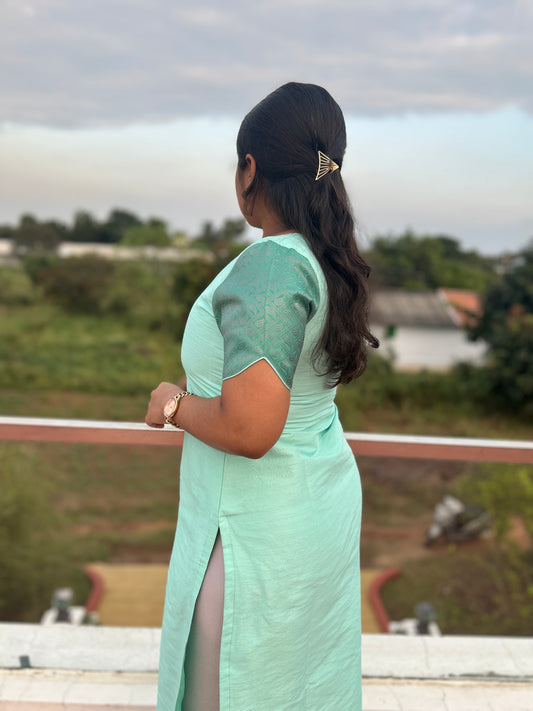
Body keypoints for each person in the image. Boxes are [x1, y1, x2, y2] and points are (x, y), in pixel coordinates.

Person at [145, 82, 378, 711]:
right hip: (313, 514)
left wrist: (172, 404)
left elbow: (250, 429)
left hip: (255, 539)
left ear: (249, 169)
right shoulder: (322, 258)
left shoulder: (272, 267)